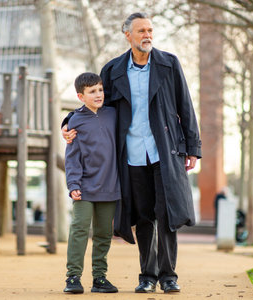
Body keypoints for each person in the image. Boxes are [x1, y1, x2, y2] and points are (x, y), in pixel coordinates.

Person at [62, 13, 202, 293]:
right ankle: (147, 276)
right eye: (141, 31)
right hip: (131, 155)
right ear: (127, 35)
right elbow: (94, 106)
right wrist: (68, 121)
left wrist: (192, 148)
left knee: (168, 214)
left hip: (165, 150)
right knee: (143, 216)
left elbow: (184, 105)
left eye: (150, 30)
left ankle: (168, 275)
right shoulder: (113, 69)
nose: (147, 35)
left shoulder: (169, 63)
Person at [63, 72, 120, 294]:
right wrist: (73, 184)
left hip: (110, 186)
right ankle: (73, 277)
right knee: (79, 229)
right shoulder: (76, 121)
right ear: (81, 96)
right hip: (84, 188)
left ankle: (100, 278)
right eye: (92, 91)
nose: (98, 95)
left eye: (100, 89)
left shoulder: (113, 114)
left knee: (104, 233)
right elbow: (72, 156)